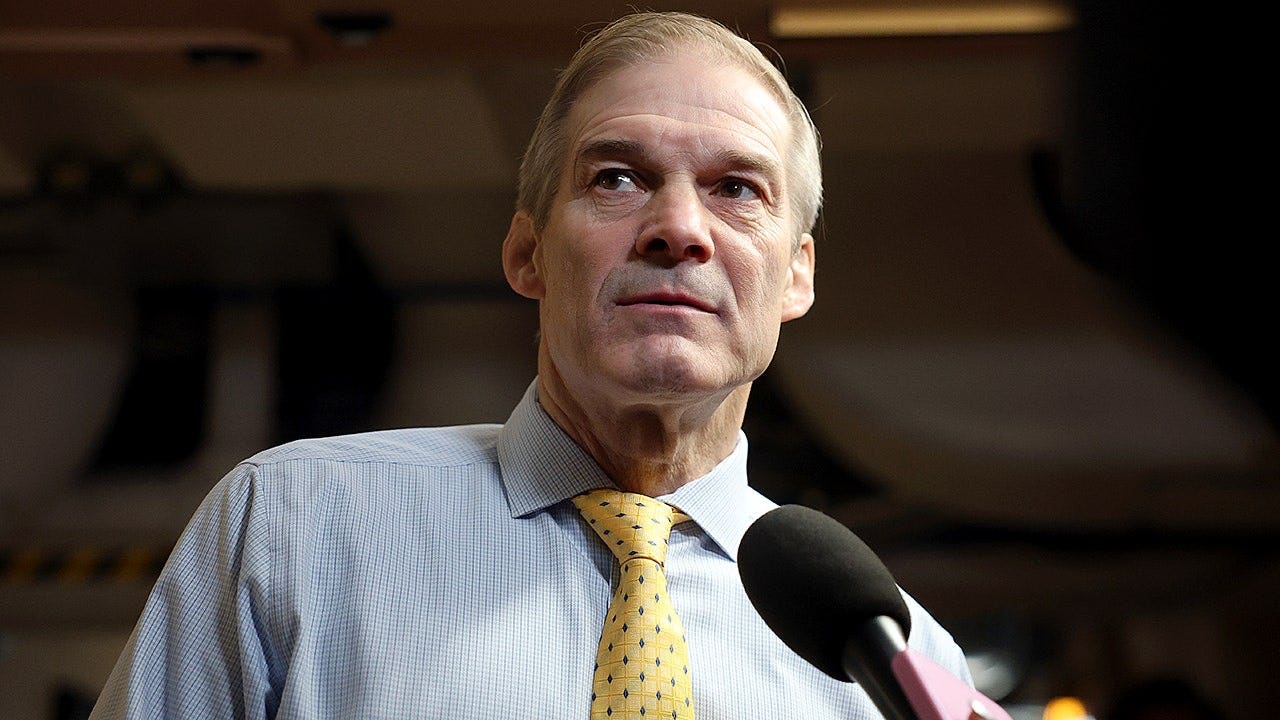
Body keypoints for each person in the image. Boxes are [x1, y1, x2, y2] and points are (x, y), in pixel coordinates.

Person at [90, 11, 970, 719]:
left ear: (797, 277)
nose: (678, 228)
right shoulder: (293, 527)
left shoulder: (898, 664)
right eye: (617, 178)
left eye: (736, 189)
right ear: (527, 254)